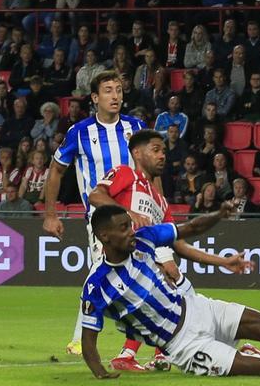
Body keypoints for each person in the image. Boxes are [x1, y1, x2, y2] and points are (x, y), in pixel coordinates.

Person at [80, 204, 260, 378]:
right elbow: (89, 338)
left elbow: (192, 227)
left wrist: (219, 214)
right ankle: (250, 356)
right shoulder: (97, 284)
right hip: (184, 345)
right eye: (124, 227)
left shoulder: (145, 239)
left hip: (201, 308)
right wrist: (99, 372)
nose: (131, 231)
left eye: (130, 224)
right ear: (105, 236)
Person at [86, 129, 241, 372]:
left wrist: (222, 261)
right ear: (137, 153)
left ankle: (155, 352)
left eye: (164, 151)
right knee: (172, 283)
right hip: (122, 257)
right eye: (155, 150)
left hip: (144, 254)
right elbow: (95, 194)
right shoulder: (126, 174)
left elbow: (178, 243)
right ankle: (137, 352)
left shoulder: (160, 201)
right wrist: (128, 214)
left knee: (179, 287)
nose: (162, 156)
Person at [40, 70, 147, 358]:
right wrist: (51, 214)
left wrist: (159, 205)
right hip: (101, 217)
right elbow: (56, 171)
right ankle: (85, 338)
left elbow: (150, 171)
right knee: (105, 270)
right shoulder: (80, 132)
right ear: (95, 98)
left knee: (133, 274)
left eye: (119, 90)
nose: (116, 96)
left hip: (137, 215)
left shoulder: (136, 127)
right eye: (109, 91)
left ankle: (140, 343)